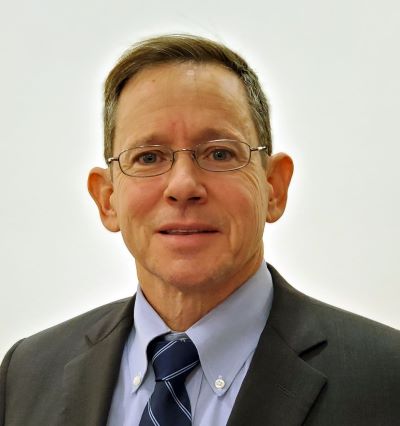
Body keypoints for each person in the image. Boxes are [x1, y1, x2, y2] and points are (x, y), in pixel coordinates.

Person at [1, 34, 399, 426]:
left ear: (274, 187)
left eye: (220, 153)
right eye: (148, 157)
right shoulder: (26, 374)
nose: (183, 187)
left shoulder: (386, 378)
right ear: (107, 199)